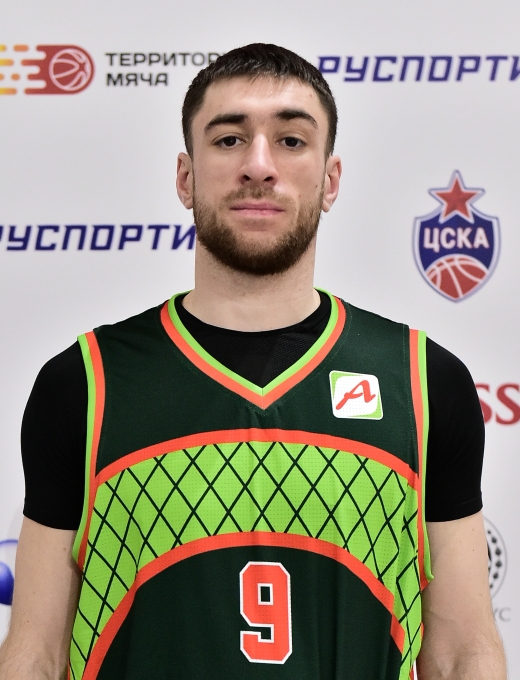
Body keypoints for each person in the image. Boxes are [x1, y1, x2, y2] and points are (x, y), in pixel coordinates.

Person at [0, 44, 506, 680]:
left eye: (291, 140)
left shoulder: (423, 382)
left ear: (331, 180)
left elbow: (461, 656)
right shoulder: (85, 382)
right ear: (186, 178)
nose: (259, 166)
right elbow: (37, 654)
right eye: (229, 140)